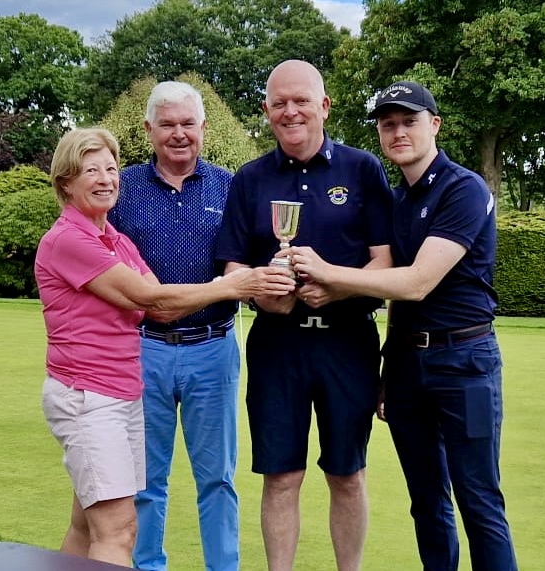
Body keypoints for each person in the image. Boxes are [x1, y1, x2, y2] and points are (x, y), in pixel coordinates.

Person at [34, 127, 295, 567]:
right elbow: (149, 298)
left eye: (111, 169)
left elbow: (163, 308)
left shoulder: (116, 241)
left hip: (119, 393)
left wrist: (244, 281)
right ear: (66, 183)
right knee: (118, 530)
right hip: (89, 397)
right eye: (90, 170)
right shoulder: (69, 240)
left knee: (88, 526)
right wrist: (234, 284)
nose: (105, 179)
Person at [287, 81, 518, 570]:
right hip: (410, 367)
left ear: (434, 125)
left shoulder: (464, 189)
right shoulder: (397, 200)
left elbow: (415, 283)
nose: (398, 133)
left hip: (465, 364)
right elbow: (394, 294)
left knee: (478, 500)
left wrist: (327, 274)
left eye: (409, 121)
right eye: (388, 124)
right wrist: (389, 370)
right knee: (427, 500)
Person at [215, 60, 393, 571]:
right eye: (279, 103)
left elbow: (385, 261)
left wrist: (335, 287)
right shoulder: (250, 178)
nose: (290, 111)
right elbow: (233, 264)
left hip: (348, 342)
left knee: (347, 474)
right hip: (278, 343)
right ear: (266, 110)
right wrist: (260, 293)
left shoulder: (362, 169)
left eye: (301, 101)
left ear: (324, 106)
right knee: (281, 476)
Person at [107, 81, 241, 571]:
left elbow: (240, 264)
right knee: (145, 479)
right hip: (144, 348)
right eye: (167, 125)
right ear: (149, 130)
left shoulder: (230, 186)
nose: (179, 134)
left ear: (203, 127)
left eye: (188, 123)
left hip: (213, 347)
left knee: (218, 479)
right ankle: (148, 566)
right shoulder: (123, 190)